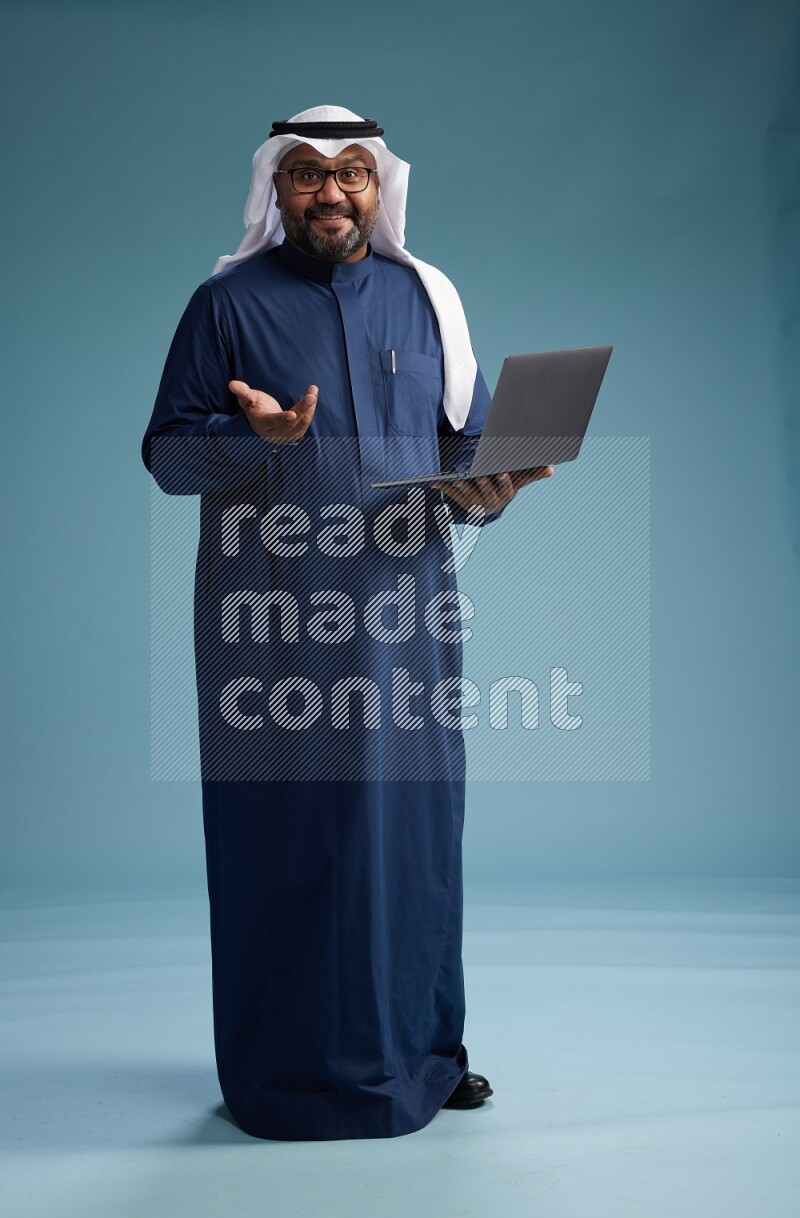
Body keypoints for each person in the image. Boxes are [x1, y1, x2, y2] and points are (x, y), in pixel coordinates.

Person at [142, 105, 552, 1141]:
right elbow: (167, 455)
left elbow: (468, 449)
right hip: (270, 621)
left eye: (353, 174)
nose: (332, 193)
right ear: (275, 191)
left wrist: (489, 492)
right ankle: (286, 1074)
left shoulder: (428, 301)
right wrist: (257, 440)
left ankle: (424, 1051)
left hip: (407, 613)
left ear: (382, 187)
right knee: (289, 835)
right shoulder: (226, 305)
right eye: (308, 176)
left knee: (415, 837)